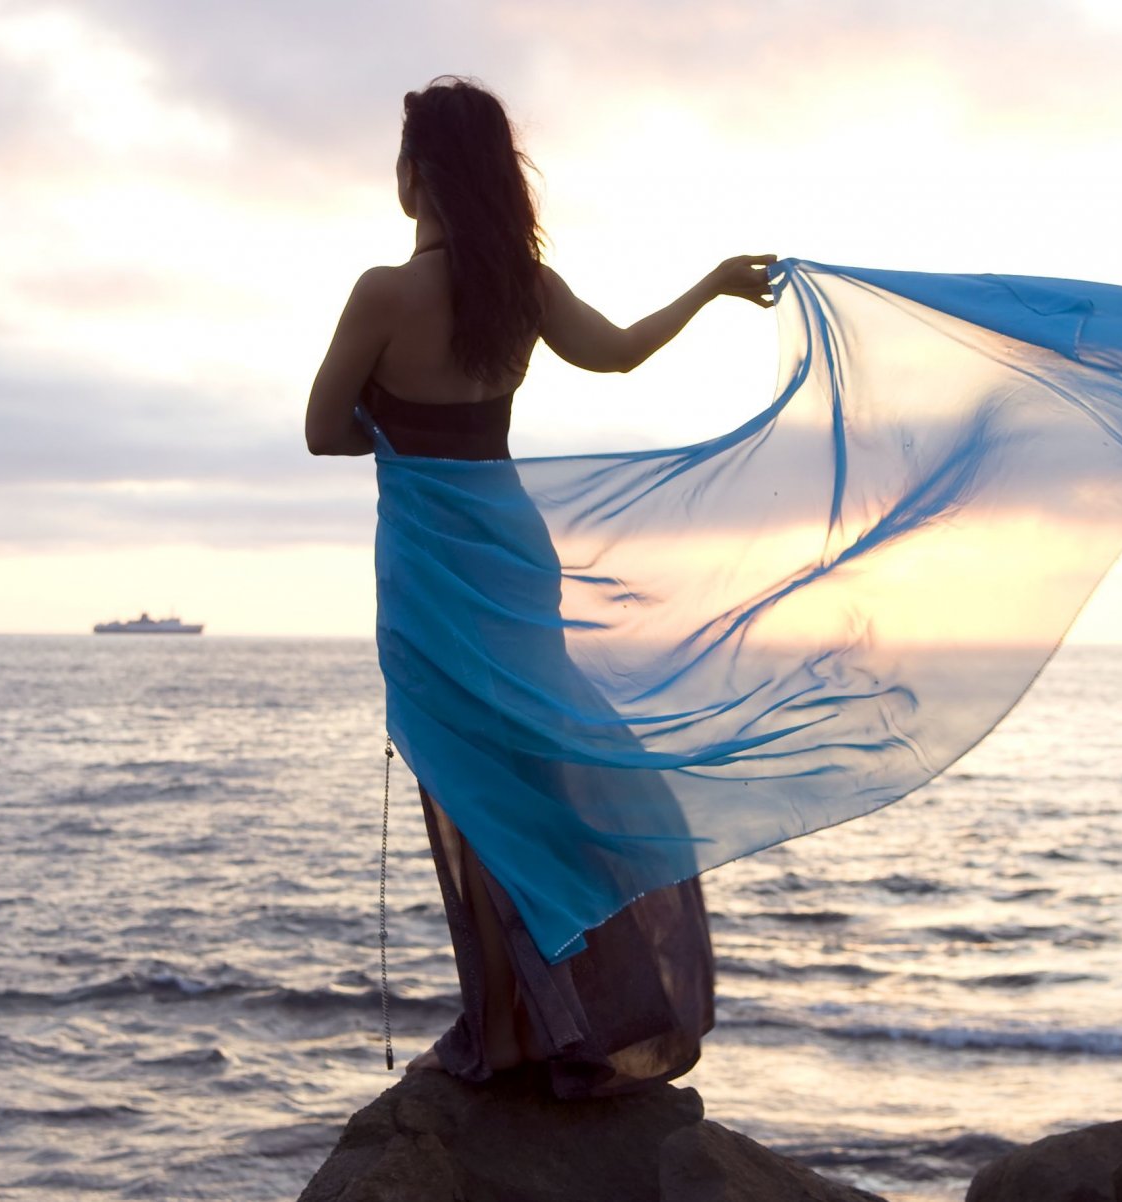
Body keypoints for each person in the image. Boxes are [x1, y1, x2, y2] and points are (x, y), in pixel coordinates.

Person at [304, 76, 773, 1098]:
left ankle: (508, 1024)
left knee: (467, 788)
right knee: (537, 780)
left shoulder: (383, 293)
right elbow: (615, 356)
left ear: (417, 172)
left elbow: (320, 428)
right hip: (513, 553)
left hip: (431, 565)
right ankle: (578, 1013)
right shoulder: (523, 287)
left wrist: (399, 440)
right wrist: (709, 287)